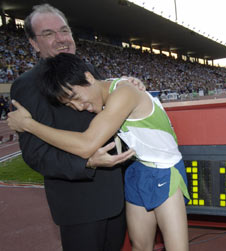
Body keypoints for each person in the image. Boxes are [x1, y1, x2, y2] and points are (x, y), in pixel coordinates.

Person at [8, 53, 191, 251]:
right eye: (70, 105)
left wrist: (28, 124)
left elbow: (87, 144)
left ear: (89, 77)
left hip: (165, 170)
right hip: (138, 170)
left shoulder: (124, 93)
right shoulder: (108, 93)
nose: (78, 107)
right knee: (139, 246)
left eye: (76, 97)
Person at [11, 4, 136, 250]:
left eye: (64, 30)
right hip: (79, 205)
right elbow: (35, 154)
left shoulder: (88, 70)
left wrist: (128, 84)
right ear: (34, 44)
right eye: (48, 34)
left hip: (117, 194)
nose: (61, 39)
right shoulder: (27, 85)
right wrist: (86, 163)